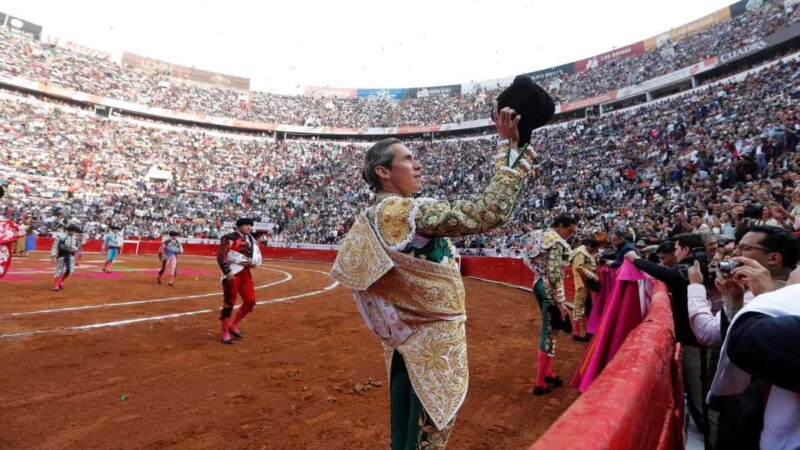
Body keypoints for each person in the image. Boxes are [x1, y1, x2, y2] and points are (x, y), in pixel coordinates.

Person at [331, 77, 553, 450]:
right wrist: (511, 149)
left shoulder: (373, 215)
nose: (417, 166)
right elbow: (488, 212)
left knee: (405, 435)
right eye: (407, 159)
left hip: (404, 342)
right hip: (429, 345)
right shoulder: (407, 212)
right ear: (384, 172)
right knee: (425, 437)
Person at [625, 233, 709, 436]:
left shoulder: (692, 268)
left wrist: (636, 260)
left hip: (694, 340)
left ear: (686, 250)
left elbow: (668, 275)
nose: (676, 252)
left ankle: (710, 435)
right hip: (696, 338)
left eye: (678, 249)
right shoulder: (698, 266)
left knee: (700, 397)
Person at [523, 215, 576, 394]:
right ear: (561, 226)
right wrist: (561, 303)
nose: (569, 235)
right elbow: (554, 274)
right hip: (549, 289)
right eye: (569, 231)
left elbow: (526, 259)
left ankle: (548, 372)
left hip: (537, 283)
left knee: (552, 329)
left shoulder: (538, 235)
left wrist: (539, 273)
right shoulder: (556, 242)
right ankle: (540, 382)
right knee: (548, 331)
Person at [217, 218, 262, 345]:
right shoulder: (229, 238)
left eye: (250, 226)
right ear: (239, 226)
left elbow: (255, 257)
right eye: (247, 225)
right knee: (229, 303)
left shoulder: (251, 240)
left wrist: (254, 262)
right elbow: (221, 256)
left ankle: (234, 325)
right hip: (233, 273)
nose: (249, 228)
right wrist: (227, 271)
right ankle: (225, 332)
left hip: (246, 273)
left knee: (250, 301)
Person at [570, 238, 599, 341]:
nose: (594, 251)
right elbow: (578, 267)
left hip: (585, 281)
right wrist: (592, 275)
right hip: (581, 282)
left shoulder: (585, 252)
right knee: (579, 305)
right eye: (594, 249)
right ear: (590, 246)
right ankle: (577, 333)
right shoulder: (580, 252)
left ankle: (587, 331)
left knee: (587, 306)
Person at [50, 224, 81, 291]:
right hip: (62, 254)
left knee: (69, 271)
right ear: (68, 230)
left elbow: (78, 247)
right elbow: (54, 246)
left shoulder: (75, 237)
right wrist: (53, 254)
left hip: (70, 255)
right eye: (71, 231)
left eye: (73, 231)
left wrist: (74, 249)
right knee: (59, 270)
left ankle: (61, 281)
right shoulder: (60, 236)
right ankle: (56, 285)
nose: (72, 232)